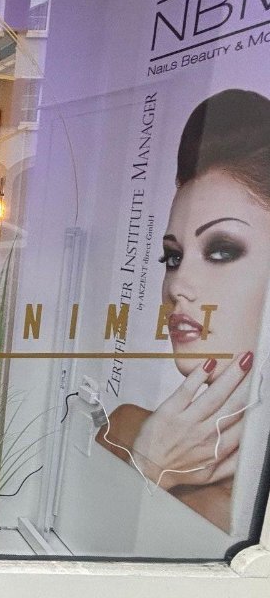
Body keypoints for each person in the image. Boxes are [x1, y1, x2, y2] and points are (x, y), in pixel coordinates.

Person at [97, 89, 270, 533]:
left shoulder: (249, 514)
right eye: (173, 257)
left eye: (221, 250)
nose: (177, 286)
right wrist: (149, 463)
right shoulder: (124, 431)